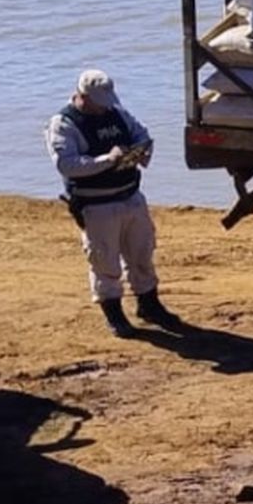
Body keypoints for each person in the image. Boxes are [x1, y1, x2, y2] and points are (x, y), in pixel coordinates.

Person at [45, 70, 177, 337]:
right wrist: (107, 159)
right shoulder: (64, 124)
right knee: (105, 262)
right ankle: (115, 316)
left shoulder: (117, 112)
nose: (105, 107)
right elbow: (67, 165)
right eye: (99, 102)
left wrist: (142, 150)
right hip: (97, 206)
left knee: (142, 254)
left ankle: (149, 305)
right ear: (82, 96)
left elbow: (141, 133)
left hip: (130, 197)